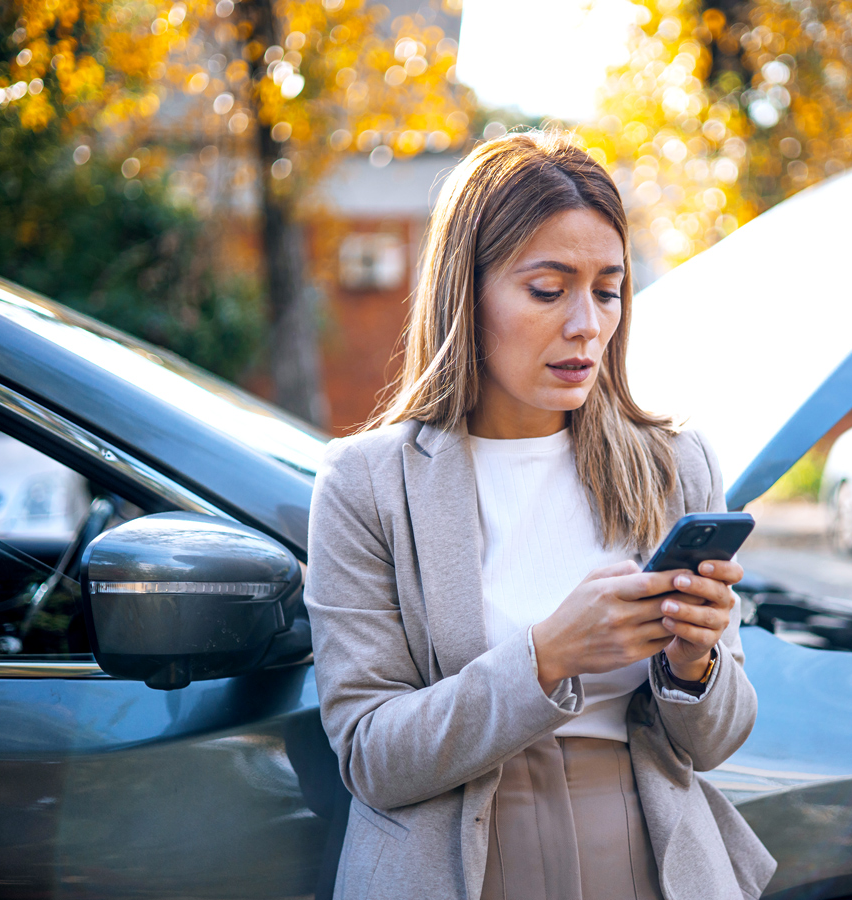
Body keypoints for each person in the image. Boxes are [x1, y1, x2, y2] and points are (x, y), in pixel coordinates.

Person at [305, 131, 776, 900]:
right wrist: (546, 655)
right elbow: (371, 756)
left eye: (609, 289)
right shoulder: (367, 485)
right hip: (455, 866)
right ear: (469, 290)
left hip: (651, 861)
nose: (587, 324)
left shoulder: (674, 466)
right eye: (549, 290)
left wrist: (695, 665)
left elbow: (715, 741)